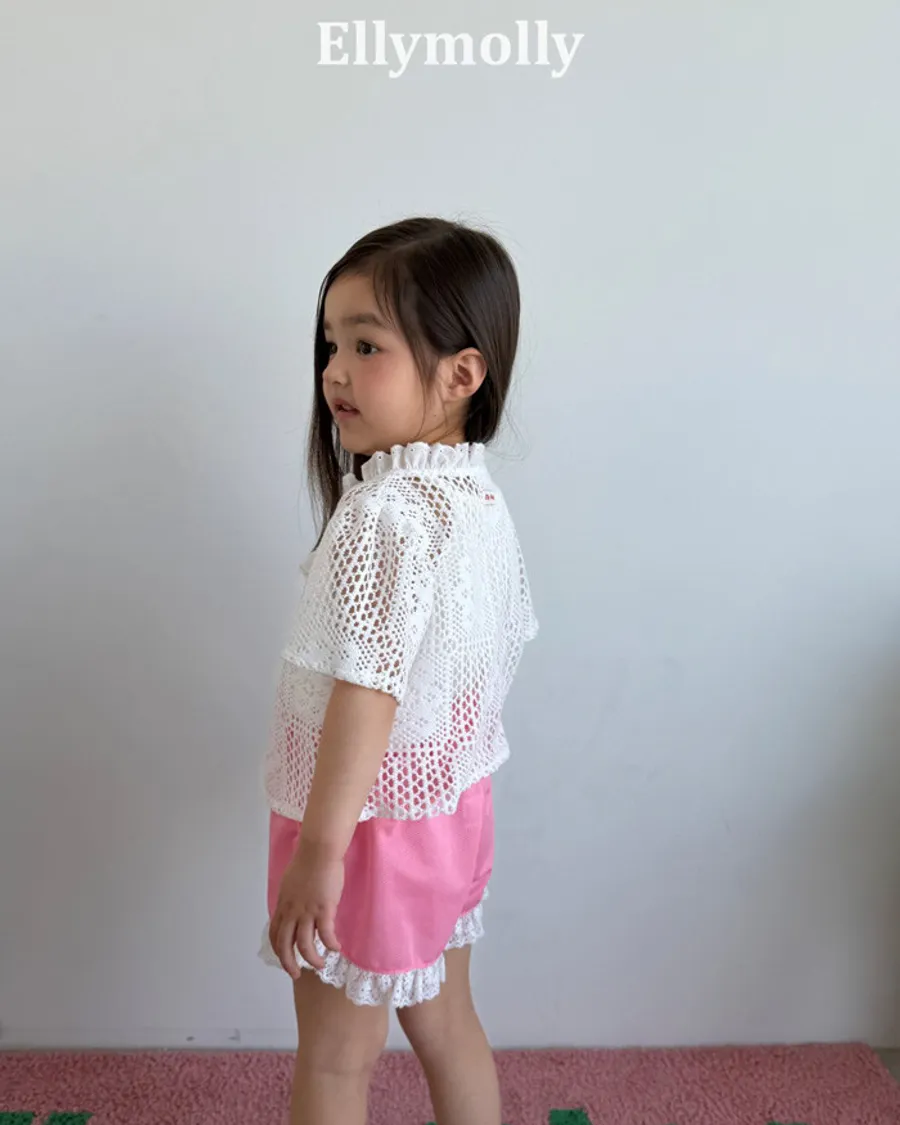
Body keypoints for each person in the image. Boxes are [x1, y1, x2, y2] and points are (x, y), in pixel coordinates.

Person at [259, 215, 538, 1125]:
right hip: (446, 814)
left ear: (462, 374)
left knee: (336, 1058)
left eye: (367, 345)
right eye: (331, 344)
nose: (335, 372)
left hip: (364, 829)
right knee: (448, 1021)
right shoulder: (474, 497)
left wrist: (319, 853)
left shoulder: (385, 514)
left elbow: (367, 693)